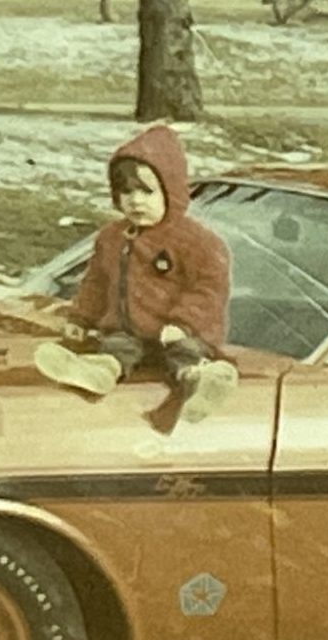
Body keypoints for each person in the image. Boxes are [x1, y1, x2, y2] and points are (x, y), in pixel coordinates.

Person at [34, 123, 238, 424]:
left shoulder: (196, 241)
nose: (136, 201)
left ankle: (201, 380)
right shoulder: (112, 238)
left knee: (185, 353)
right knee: (116, 347)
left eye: (146, 191)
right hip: (130, 334)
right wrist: (81, 318)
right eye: (126, 192)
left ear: (171, 191)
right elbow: (96, 283)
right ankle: (99, 371)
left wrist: (183, 322)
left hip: (177, 335)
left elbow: (209, 288)